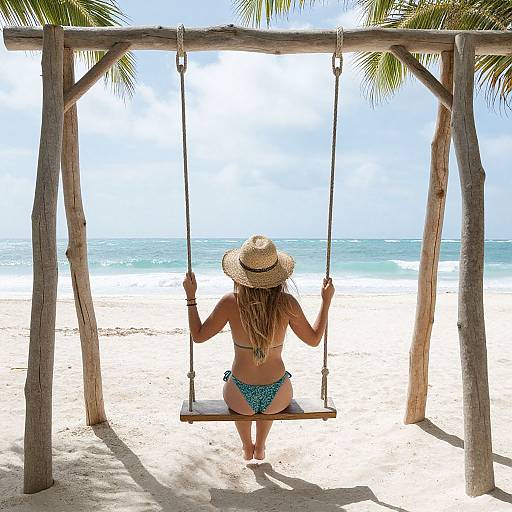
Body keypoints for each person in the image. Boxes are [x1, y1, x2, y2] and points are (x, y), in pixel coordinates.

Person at [183, 235, 335, 460]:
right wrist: (326, 301)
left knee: (241, 399)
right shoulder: (287, 303)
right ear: (277, 274)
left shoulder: (230, 303)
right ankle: (261, 446)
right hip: (278, 395)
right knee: (268, 406)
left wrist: (191, 298)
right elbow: (313, 340)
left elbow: (198, 335)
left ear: (241, 274)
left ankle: (247, 446)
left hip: (239, 395)